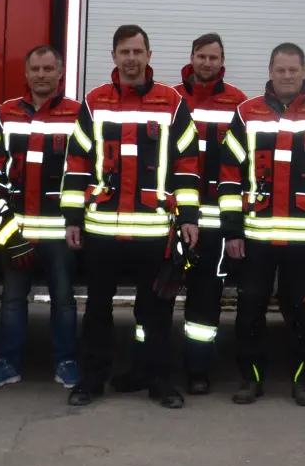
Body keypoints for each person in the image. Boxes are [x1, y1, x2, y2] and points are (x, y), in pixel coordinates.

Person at [62, 24, 201, 409]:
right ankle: (92, 380)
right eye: (124, 52)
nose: (131, 58)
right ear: (114, 56)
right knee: (98, 309)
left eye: (138, 51)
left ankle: (157, 378)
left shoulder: (171, 103)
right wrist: (73, 217)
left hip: (155, 229)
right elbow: (77, 164)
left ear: (149, 56)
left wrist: (188, 216)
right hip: (101, 228)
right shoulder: (95, 102)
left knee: (155, 310)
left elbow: (187, 165)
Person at [218, 43, 305, 406]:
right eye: (280, 70)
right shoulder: (246, 113)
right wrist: (232, 230)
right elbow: (228, 177)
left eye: (293, 70)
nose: (287, 77)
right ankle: (250, 379)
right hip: (255, 237)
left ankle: (304, 380)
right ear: (270, 72)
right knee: (249, 309)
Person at [0, 45, 83, 390]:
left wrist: (75, 221)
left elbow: (84, 171)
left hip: (59, 231)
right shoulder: (5, 113)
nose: (41, 75)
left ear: (60, 73)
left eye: (48, 68)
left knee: (64, 301)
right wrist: (2, 224)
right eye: (35, 69)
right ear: (26, 73)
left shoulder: (78, 114)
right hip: (15, 229)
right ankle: (7, 362)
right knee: (11, 300)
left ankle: (67, 362)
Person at [174, 33, 248, 395]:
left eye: (213, 57)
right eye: (201, 56)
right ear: (191, 57)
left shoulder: (239, 104)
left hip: (216, 218)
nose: (207, 63)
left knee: (206, 298)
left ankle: (198, 370)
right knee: (156, 296)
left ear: (222, 61)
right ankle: (150, 367)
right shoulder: (170, 98)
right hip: (174, 216)